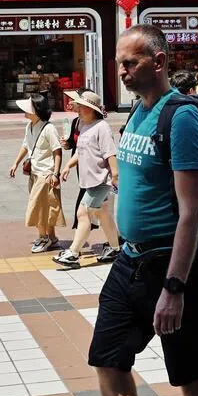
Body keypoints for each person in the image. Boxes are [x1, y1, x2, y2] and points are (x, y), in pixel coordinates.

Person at [91, 25, 198, 396]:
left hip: (170, 265)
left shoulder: (180, 117)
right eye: (119, 64)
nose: (122, 72)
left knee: (189, 371)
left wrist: (174, 288)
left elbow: (192, 211)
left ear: (159, 62)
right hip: (129, 261)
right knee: (108, 360)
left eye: (131, 63)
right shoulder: (138, 111)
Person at [56, 91, 121, 266]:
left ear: (91, 109)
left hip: (101, 180)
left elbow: (110, 153)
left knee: (83, 213)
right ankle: (115, 249)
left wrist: (115, 176)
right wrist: (68, 165)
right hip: (90, 180)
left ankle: (73, 253)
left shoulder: (102, 127)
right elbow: (80, 150)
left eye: (81, 107)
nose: (77, 110)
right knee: (103, 214)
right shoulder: (83, 126)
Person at [8, 94, 66, 253]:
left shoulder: (49, 128)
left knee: (38, 207)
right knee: (46, 206)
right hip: (34, 172)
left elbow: (57, 152)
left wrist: (56, 173)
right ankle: (52, 237)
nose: (24, 111)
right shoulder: (30, 126)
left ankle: (43, 237)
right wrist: (16, 163)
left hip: (46, 174)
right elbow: (25, 146)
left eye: (28, 109)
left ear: (37, 110)